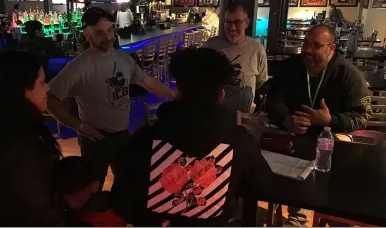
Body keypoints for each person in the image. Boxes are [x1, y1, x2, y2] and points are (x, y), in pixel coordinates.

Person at [112, 47, 272, 226]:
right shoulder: (241, 142)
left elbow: (122, 203)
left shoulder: (143, 141)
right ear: (221, 96)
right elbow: (263, 186)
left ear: (178, 93)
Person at [47, 7, 175, 190]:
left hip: (123, 134)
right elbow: (49, 99)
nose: (108, 37)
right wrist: (78, 126)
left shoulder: (123, 58)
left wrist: (176, 96)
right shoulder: (79, 66)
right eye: (99, 32)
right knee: (93, 187)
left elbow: (148, 82)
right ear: (87, 34)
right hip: (95, 139)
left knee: (126, 185)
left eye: (110, 30)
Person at [266, 25, 372, 227]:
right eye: (306, 43)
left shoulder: (349, 75)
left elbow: (363, 116)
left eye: (316, 46)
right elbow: (272, 100)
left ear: (331, 49)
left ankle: (303, 216)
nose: (307, 50)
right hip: (293, 138)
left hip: (332, 142)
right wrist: (286, 119)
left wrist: (329, 121)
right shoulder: (291, 67)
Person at [0, 51, 65, 226]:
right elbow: (38, 211)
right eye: (42, 82)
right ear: (22, 89)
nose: (47, 88)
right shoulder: (16, 144)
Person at [203, 3, 268, 113]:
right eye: (228, 22)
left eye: (237, 22)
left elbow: (261, 82)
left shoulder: (257, 49)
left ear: (246, 23)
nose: (232, 28)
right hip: (214, 115)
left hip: (244, 116)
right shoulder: (210, 46)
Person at [54, 156, 127, 226]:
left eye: (74, 190)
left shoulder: (110, 219)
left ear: (94, 185)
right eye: (63, 190)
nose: (68, 197)